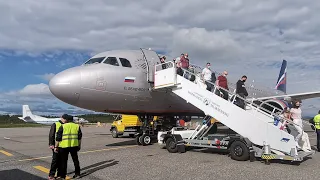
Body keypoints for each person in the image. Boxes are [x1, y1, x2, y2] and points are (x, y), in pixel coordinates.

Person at [55, 115, 82, 179]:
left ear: (66, 120)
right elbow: (79, 138)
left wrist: (56, 146)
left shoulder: (63, 126)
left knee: (63, 162)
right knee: (75, 160)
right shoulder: (77, 126)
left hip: (64, 146)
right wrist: (79, 145)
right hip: (74, 146)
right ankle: (77, 174)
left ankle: (63, 176)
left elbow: (58, 138)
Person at [48, 114, 66, 180]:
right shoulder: (55, 124)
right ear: (61, 118)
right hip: (56, 145)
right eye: (64, 119)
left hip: (63, 146)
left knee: (61, 161)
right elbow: (51, 135)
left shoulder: (66, 125)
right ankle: (51, 174)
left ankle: (59, 175)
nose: (65, 120)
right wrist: (51, 144)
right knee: (55, 160)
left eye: (66, 119)